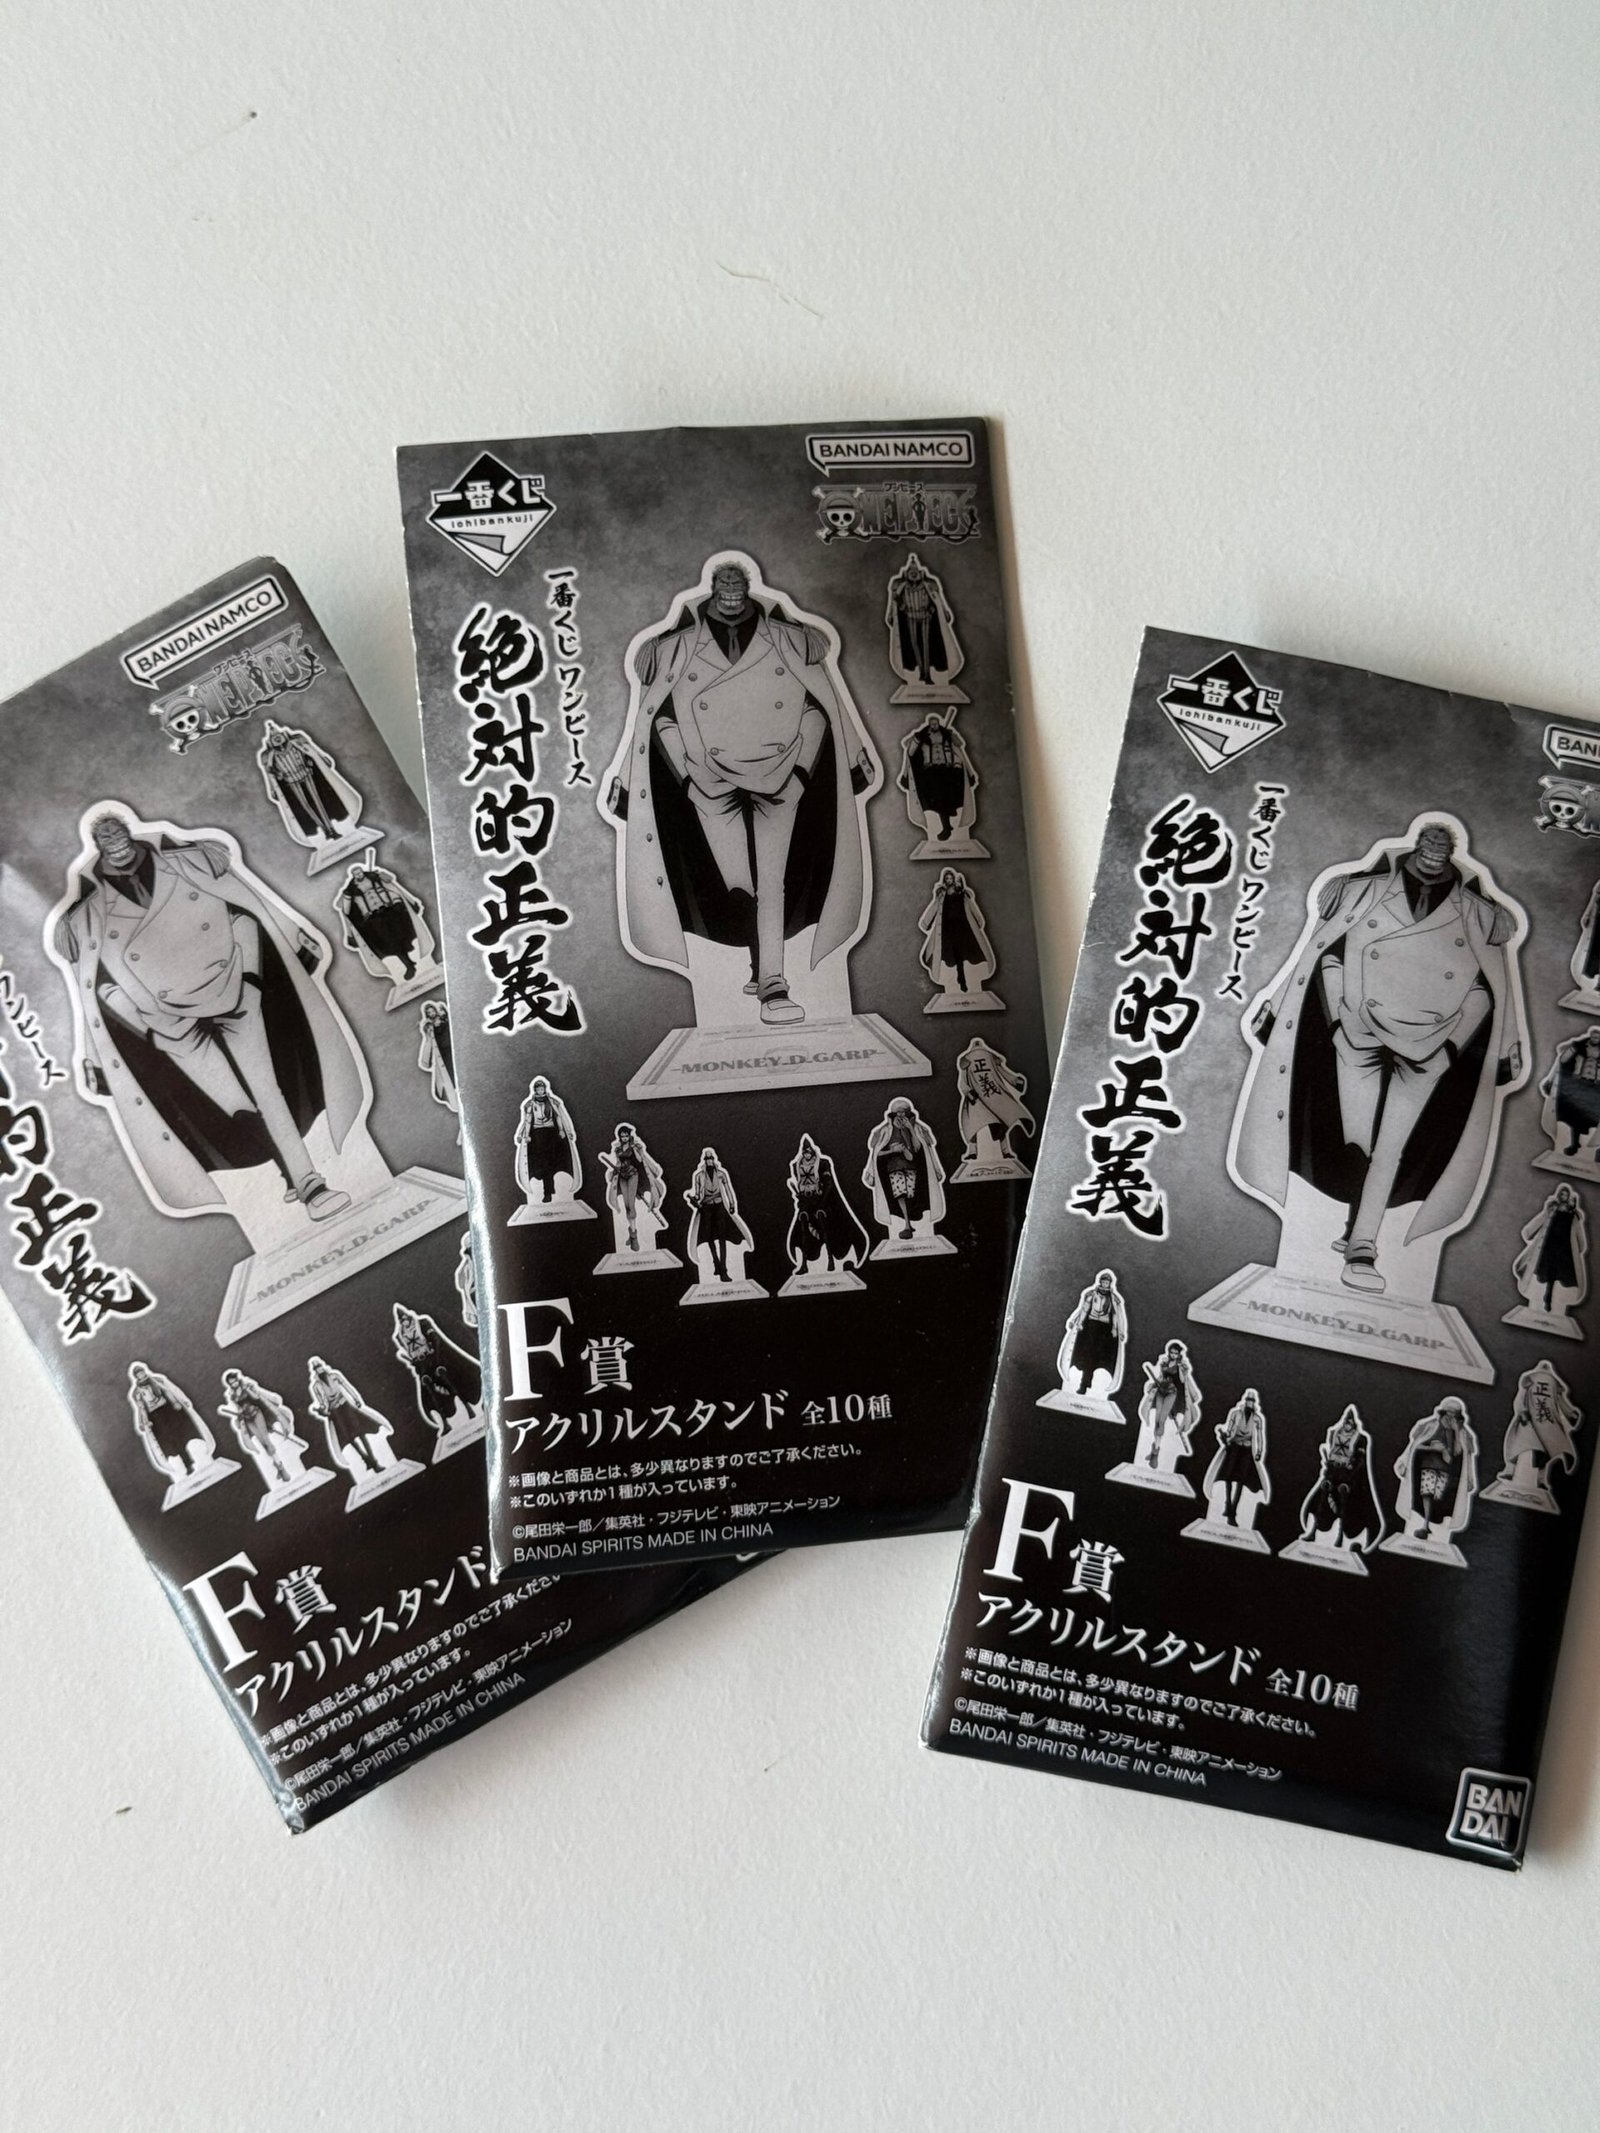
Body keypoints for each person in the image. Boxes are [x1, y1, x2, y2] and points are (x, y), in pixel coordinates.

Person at [1235, 819, 1521, 1295]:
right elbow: (1327, 955)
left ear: (1450, 855)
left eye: (1441, 853)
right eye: (1427, 851)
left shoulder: (1479, 914)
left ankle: (1363, 1247)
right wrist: (1337, 1025)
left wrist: (1451, 1048)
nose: (1433, 859)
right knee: (1358, 1140)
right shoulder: (1360, 891)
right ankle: (1357, 1224)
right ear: (1417, 849)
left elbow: (1487, 990)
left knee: (1391, 1147)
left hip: (1430, 1044)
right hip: (1357, 1032)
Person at [51, 809, 361, 1225]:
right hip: (169, 1024)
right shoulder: (85, 918)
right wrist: (147, 1032)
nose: (120, 851)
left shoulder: (193, 861)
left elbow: (244, 915)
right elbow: (97, 988)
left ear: (129, 836)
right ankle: (291, 1171)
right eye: (110, 845)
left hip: (233, 992)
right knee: (235, 1104)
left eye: (122, 840)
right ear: (100, 849)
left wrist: (251, 979)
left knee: (267, 1090)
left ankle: (311, 1185)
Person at [603, 557, 877, 1026]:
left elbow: (820, 708)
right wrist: (687, 779)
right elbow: (657, 718)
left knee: (773, 880)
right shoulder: (672, 650)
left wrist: (801, 774)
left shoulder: (793, 641)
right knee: (738, 882)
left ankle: (773, 984)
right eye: (723, 586)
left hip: (781, 773)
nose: (731, 594)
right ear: (714, 590)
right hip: (708, 781)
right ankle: (759, 958)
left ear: (747, 589)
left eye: (738, 585)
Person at [1297, 1407, 1384, 1553]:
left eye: (1349, 1422)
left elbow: (1361, 1462)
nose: (1347, 1424)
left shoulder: (1360, 1438)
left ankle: (1341, 1537)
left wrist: (1351, 1476)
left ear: (1353, 1423)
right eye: (1346, 1422)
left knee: (1345, 1504)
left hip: (1348, 1476)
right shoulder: (1335, 1433)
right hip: (1333, 1472)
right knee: (1321, 1501)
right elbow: (1331, 1452)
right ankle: (1313, 1532)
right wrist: (1329, 1469)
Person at [863, 1098, 947, 1242]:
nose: (901, 1115)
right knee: (900, 1193)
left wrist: (911, 1130)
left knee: (910, 1194)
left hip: (911, 1166)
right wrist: (892, 1150)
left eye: (903, 1112)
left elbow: (918, 1148)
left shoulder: (917, 1128)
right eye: (898, 1112)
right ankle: (907, 1225)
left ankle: (911, 1222)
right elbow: (877, 1152)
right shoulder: (884, 1131)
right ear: (893, 1114)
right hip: (893, 1167)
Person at [785, 1134, 868, 1274]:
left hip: (821, 1201)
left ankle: (831, 1260)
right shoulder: (796, 1165)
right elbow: (798, 1183)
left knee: (825, 1226)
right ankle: (804, 1264)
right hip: (806, 1200)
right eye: (804, 1152)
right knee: (803, 1228)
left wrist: (823, 1201)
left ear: (812, 1152)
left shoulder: (822, 1163)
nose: (806, 1155)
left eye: (808, 1152)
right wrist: (801, 1199)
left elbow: (829, 1184)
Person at [684, 1148, 753, 1283]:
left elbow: (728, 1190)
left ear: (713, 1160)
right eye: (707, 1159)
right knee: (709, 1236)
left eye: (711, 1159)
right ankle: (716, 1263)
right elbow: (698, 1194)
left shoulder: (721, 1174)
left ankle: (724, 1269)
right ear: (704, 1161)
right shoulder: (699, 1176)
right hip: (706, 1207)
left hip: (720, 1205)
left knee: (722, 1236)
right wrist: (693, 1199)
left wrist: (732, 1204)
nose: (709, 1161)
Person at [1057, 1271, 1127, 1397]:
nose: (1105, 1284)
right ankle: (1084, 1384)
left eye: (1107, 1282)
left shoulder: (1113, 1299)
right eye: (1103, 1282)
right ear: (1100, 1282)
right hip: (1090, 1327)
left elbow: (1117, 1315)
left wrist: (1118, 1330)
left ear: (1110, 1284)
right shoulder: (1091, 1294)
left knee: (1097, 1356)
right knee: (1087, 1356)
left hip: (1104, 1330)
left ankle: (1090, 1383)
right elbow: (1083, 1309)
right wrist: (1076, 1321)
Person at [600, 1122, 667, 1253]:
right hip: (622, 1177)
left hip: (633, 1175)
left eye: (626, 1135)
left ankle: (634, 1237)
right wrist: (616, 1170)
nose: (624, 1138)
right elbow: (618, 1162)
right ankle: (631, 1233)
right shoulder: (617, 1147)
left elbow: (640, 1161)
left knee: (631, 1205)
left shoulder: (634, 1145)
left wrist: (636, 1149)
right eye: (622, 1136)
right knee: (627, 1205)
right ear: (619, 1136)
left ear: (629, 1135)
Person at [1205, 1390, 1269, 1525]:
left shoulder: (1257, 1419)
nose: (1250, 1403)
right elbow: (1230, 1430)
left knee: (1241, 1479)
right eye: (1248, 1401)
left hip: (1246, 1449)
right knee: (1228, 1476)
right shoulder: (1235, 1414)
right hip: (1234, 1446)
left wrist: (1259, 1451)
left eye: (1252, 1401)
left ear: (1254, 1403)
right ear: (1245, 1401)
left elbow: (1259, 1436)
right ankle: (1228, 1504)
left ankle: (1233, 1510)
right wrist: (1225, 1437)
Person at [514, 1076, 581, 1206]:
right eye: (538, 1089)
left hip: (552, 1134)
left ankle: (553, 1189)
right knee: (543, 1163)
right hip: (538, 1135)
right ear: (535, 1090)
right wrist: (523, 1134)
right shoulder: (530, 1104)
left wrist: (564, 1130)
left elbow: (560, 1116)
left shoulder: (552, 1102)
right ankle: (548, 1192)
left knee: (552, 1161)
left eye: (542, 1088)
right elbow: (527, 1121)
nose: (540, 1091)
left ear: (545, 1089)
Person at [1138, 1339, 1200, 1471]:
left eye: (1176, 1353)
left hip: (1172, 1393)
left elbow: (1182, 1381)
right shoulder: (1165, 1362)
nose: (1173, 1355)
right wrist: (1154, 1384)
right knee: (1157, 1421)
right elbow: (1161, 1376)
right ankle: (1155, 1449)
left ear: (1179, 1354)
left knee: (1161, 1420)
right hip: (1161, 1391)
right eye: (1172, 1352)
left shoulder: (1181, 1366)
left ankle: (1155, 1455)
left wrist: (1183, 1369)